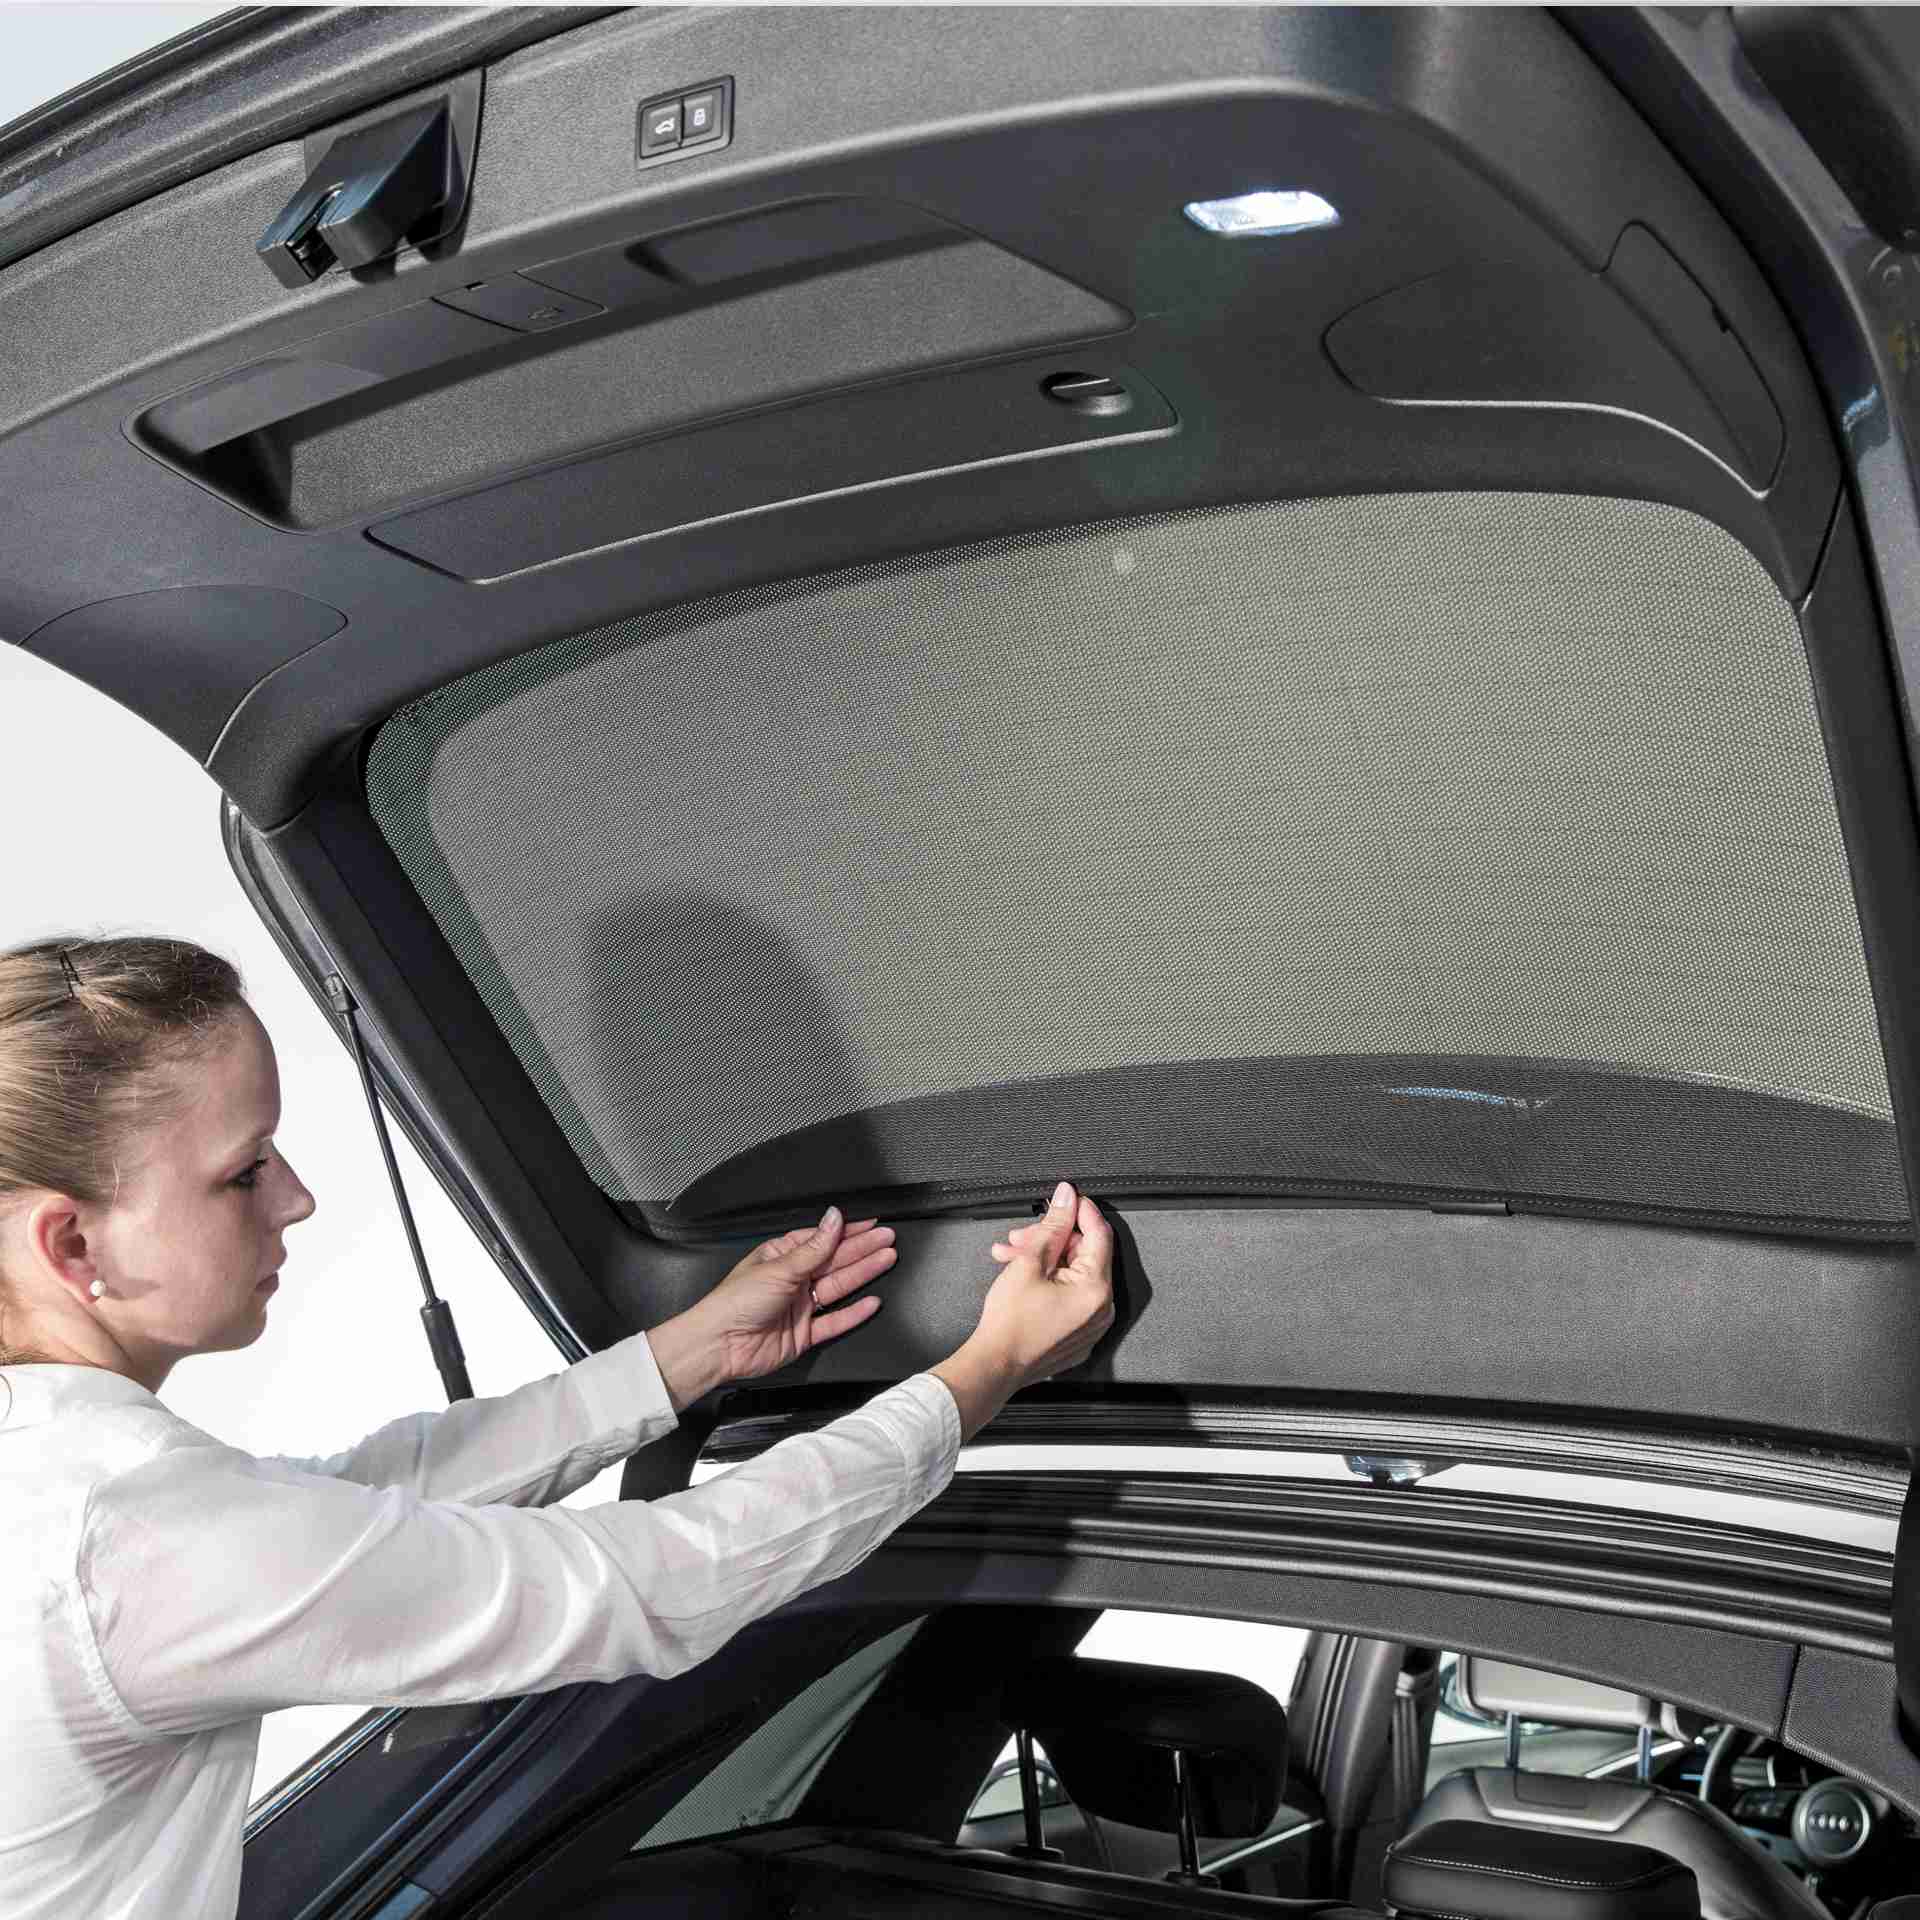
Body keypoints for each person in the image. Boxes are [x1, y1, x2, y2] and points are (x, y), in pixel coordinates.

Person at [0, 936, 1114, 1920]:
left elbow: (359, 1502)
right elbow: (661, 1575)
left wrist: (685, 1356)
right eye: (244, 1172)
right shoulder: (132, 1538)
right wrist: (984, 1372)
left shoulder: (64, 1489)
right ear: (72, 1245)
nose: (295, 1197)